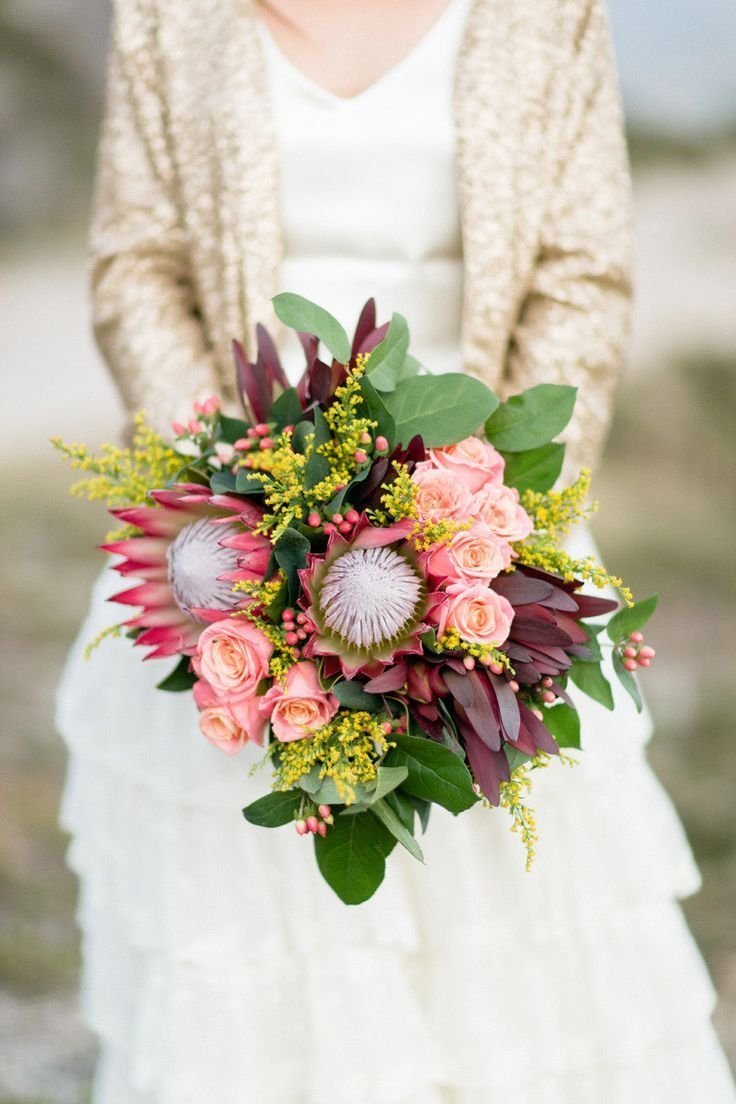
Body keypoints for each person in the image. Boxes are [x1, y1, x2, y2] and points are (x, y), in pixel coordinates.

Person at [57, 1, 736, 1100]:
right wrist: (240, 503)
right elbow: (135, 268)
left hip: (488, 549)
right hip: (235, 556)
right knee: (256, 979)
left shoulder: (548, 15)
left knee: (521, 978)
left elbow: (582, 277)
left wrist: (477, 534)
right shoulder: (168, 15)